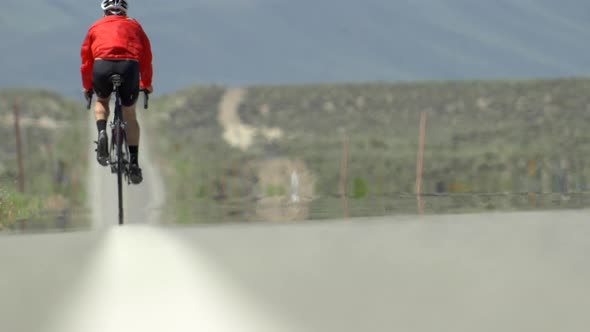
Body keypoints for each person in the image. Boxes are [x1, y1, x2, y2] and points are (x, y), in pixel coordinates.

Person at [80, 0, 153, 184]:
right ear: (124, 12)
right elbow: (146, 57)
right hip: (129, 67)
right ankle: (134, 163)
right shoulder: (135, 26)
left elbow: (86, 61)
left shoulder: (95, 27)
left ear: (104, 11)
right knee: (129, 113)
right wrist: (146, 83)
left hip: (102, 65)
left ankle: (102, 131)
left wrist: (87, 87)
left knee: (102, 101)